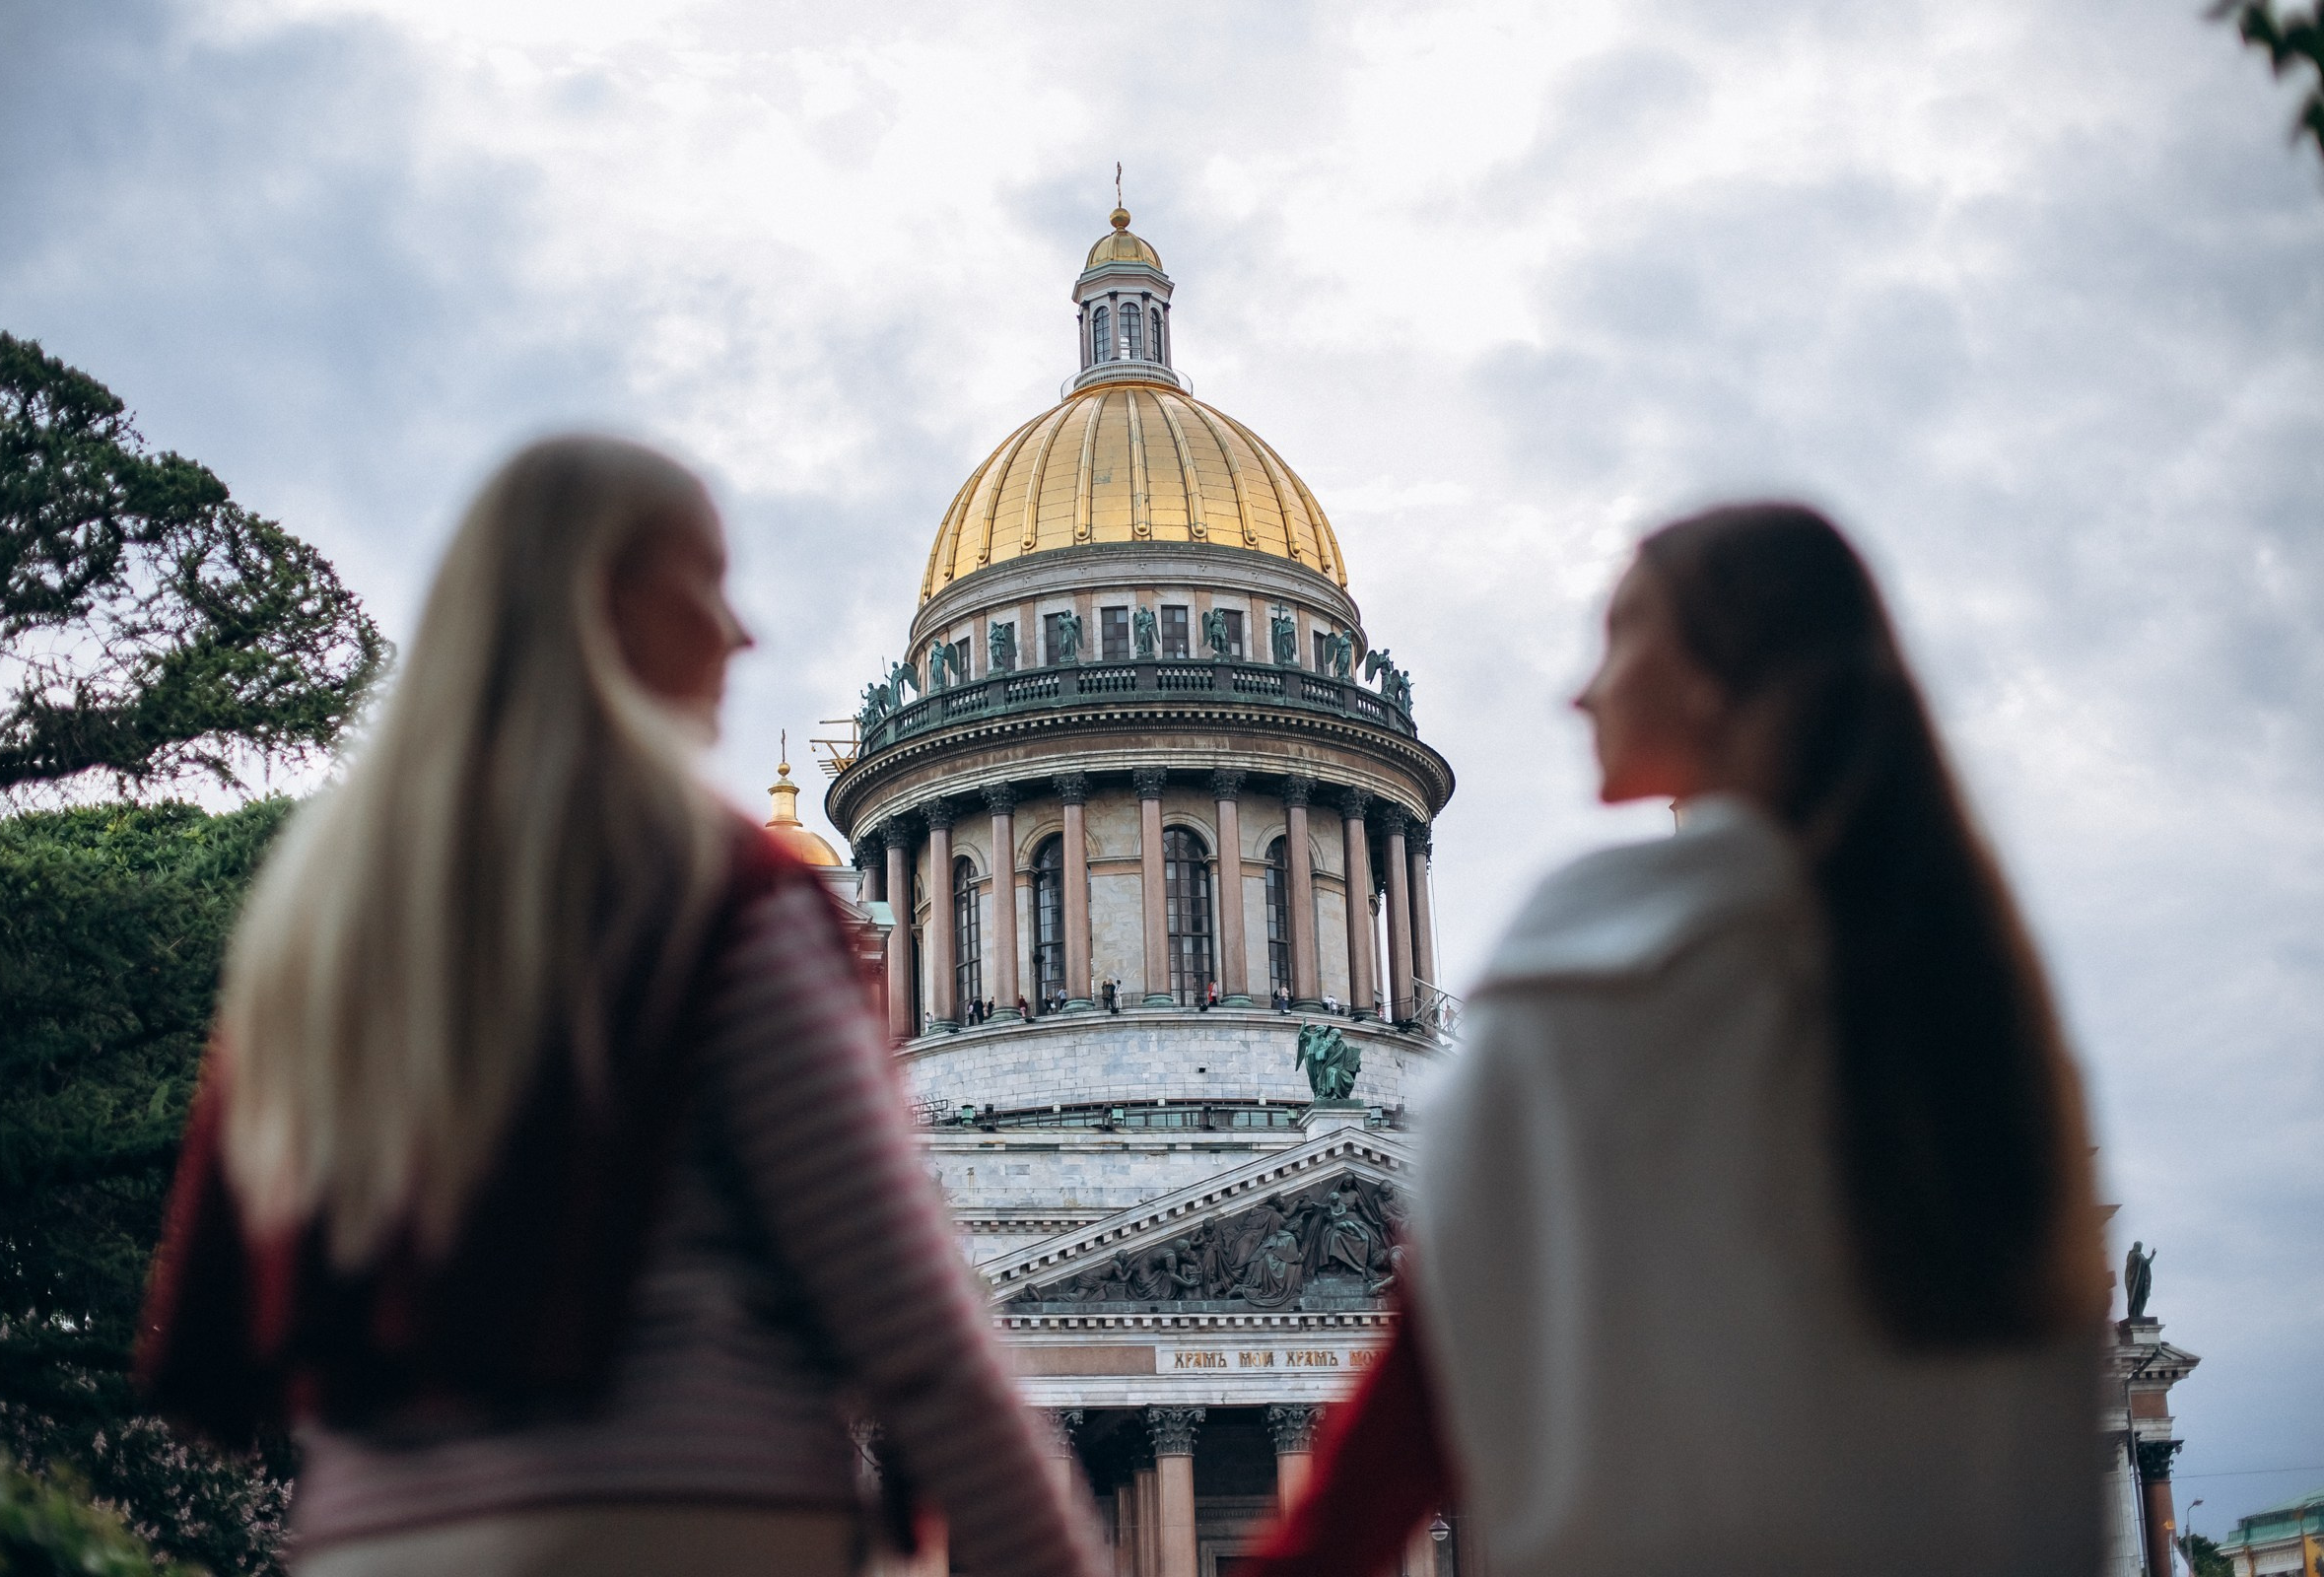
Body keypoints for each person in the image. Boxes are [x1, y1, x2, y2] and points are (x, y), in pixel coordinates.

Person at [135, 437, 1107, 1577]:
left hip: (373, 1539)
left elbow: (207, 1336)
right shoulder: (717, 888)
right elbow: (910, 1318)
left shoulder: (317, 912)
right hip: (677, 1518)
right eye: (702, 581)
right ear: (602, 603)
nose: (739, 632)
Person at [1241, 504, 2107, 1577]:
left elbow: (1423, 1391)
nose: (1581, 687)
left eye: (1620, 637)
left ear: (1709, 679)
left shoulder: (1595, 966)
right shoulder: (1992, 1031)